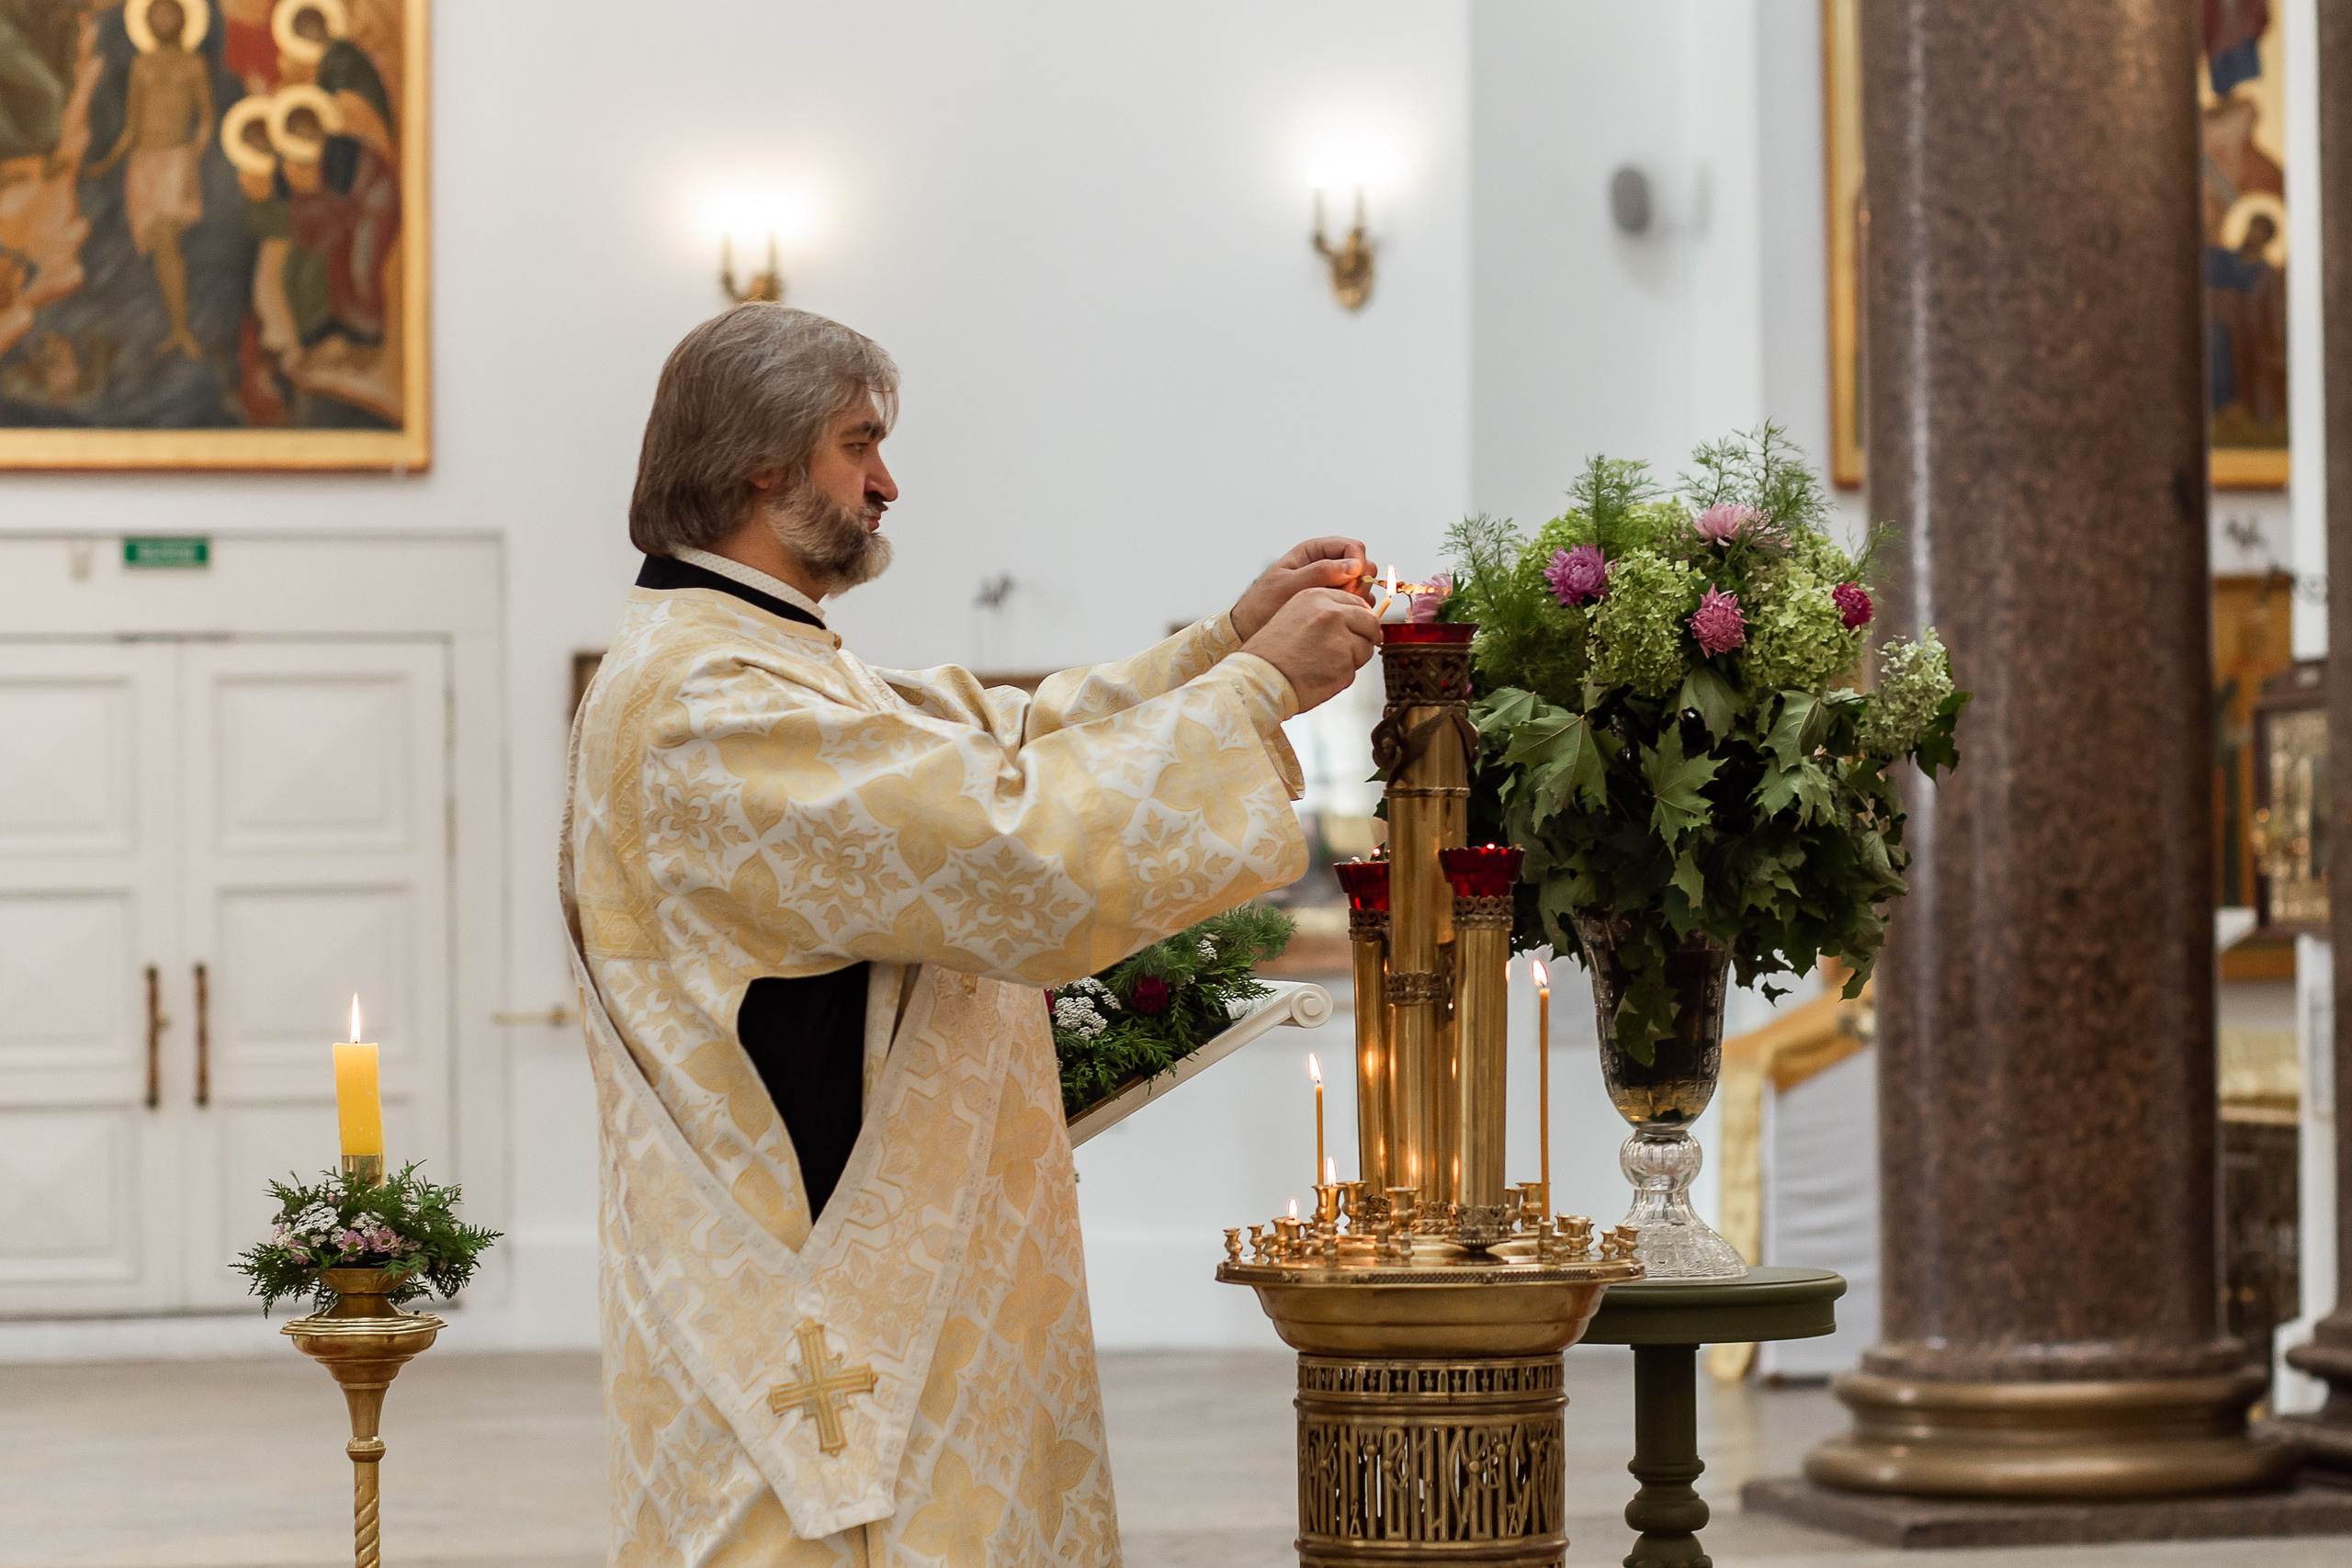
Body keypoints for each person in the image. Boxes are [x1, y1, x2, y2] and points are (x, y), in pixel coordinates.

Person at [562, 303, 1377, 1563]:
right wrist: (1256, 691)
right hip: (820, 1325)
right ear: (760, 464)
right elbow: (1013, 849)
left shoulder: (759, 656)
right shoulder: (707, 701)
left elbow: (991, 739)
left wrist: (1221, 646)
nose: (887, 482)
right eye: (857, 444)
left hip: (893, 1297)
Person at [86, 0, 214, 361]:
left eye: (169, 13)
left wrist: (194, 153)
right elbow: (131, 125)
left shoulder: (194, 64)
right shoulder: (140, 65)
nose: (162, 20)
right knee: (161, 247)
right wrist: (107, 162)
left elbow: (205, 117)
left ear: (184, 19)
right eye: (155, 15)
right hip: (143, 162)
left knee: (166, 242)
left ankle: (181, 329)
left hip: (175, 161)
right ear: (146, 22)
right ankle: (176, 328)